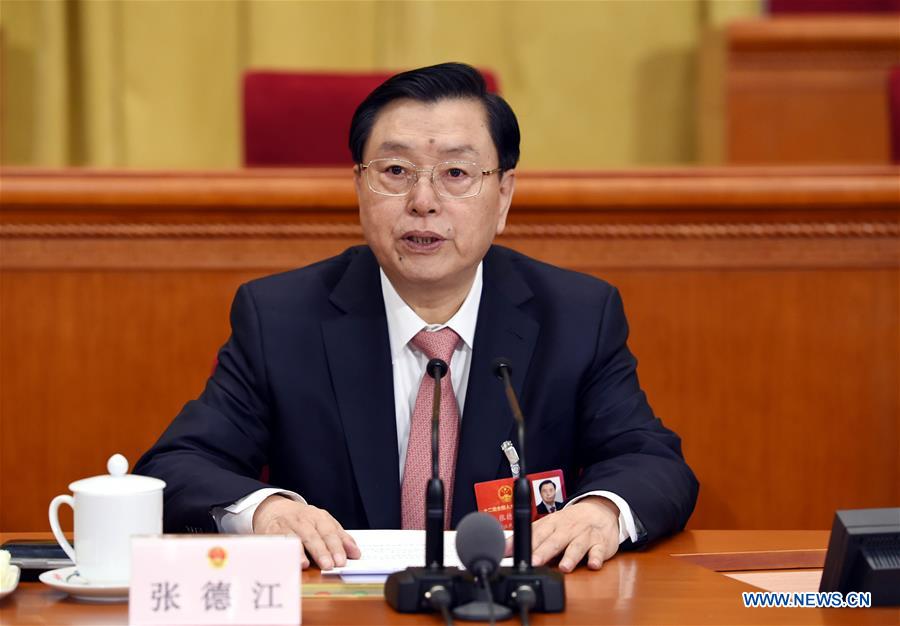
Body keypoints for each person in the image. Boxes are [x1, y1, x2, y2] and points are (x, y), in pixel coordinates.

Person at [135, 62, 698, 574]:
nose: (423, 201)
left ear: (502, 197)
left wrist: (601, 510)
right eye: (397, 171)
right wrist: (265, 509)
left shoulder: (576, 315)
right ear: (360, 188)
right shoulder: (281, 317)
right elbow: (177, 466)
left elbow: (652, 463)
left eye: (456, 173)